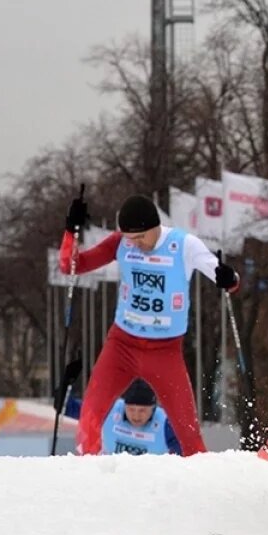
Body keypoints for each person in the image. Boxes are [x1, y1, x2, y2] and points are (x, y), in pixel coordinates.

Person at [58, 192, 240, 455]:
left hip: (165, 352)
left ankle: (204, 486)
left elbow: (225, 277)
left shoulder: (183, 245)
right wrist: (70, 231)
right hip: (121, 346)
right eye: (131, 239)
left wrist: (228, 277)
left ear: (155, 227)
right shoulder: (121, 242)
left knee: (189, 435)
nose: (137, 244)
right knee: (90, 417)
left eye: (141, 237)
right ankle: (90, 480)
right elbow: (70, 266)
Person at [65, 379, 182, 455]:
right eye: (131, 409)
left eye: (143, 411)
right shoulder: (110, 410)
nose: (136, 415)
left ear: (153, 408)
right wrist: (64, 401)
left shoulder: (165, 424)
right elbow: (80, 410)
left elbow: (183, 454)